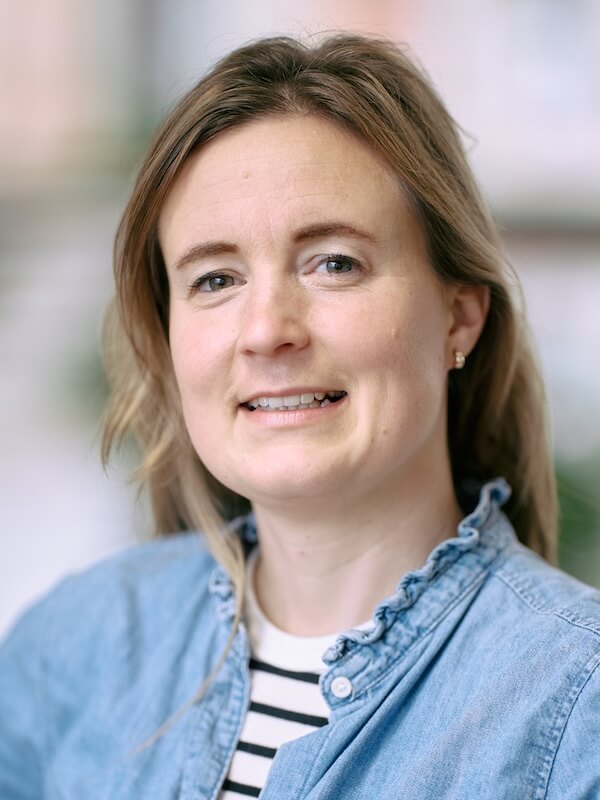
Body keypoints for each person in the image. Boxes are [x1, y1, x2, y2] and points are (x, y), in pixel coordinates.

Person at [1, 32, 599, 800]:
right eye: (215, 279)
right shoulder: (72, 648)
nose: (265, 331)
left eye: (334, 263)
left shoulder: (576, 704)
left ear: (459, 316)